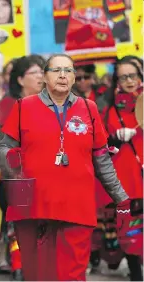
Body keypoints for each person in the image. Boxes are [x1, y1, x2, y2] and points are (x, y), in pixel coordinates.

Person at [0, 54, 130, 281]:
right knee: (40, 275)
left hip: (77, 207)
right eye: (56, 70)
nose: (62, 75)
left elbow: (102, 159)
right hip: (35, 208)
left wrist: (121, 198)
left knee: (73, 275)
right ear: (45, 77)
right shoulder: (22, 107)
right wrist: (12, 161)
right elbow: (1, 149)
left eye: (68, 71)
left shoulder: (89, 109)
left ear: (74, 77)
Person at [0, 55, 44, 280]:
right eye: (35, 73)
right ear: (20, 80)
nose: (41, 77)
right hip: (17, 179)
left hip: (47, 179)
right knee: (19, 230)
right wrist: (13, 164)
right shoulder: (9, 104)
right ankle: (20, 270)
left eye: (42, 72)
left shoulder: (50, 102)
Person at [101, 57, 143, 281]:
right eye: (124, 77)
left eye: (133, 75)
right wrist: (116, 138)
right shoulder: (109, 111)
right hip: (126, 178)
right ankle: (135, 269)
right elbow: (102, 147)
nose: (130, 81)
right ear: (116, 81)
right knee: (131, 229)